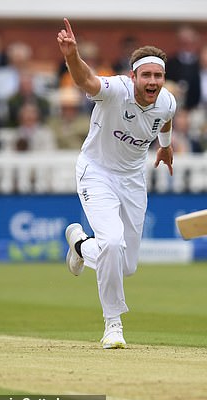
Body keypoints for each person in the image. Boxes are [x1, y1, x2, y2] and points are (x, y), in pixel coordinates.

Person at [57, 18, 176, 349]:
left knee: (125, 265)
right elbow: (86, 80)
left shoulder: (167, 100)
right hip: (96, 172)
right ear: (133, 76)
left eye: (158, 75)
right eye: (146, 75)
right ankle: (113, 325)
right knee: (110, 244)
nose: (153, 81)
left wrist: (165, 146)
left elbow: (165, 120)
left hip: (133, 179)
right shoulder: (115, 91)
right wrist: (71, 56)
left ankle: (80, 245)